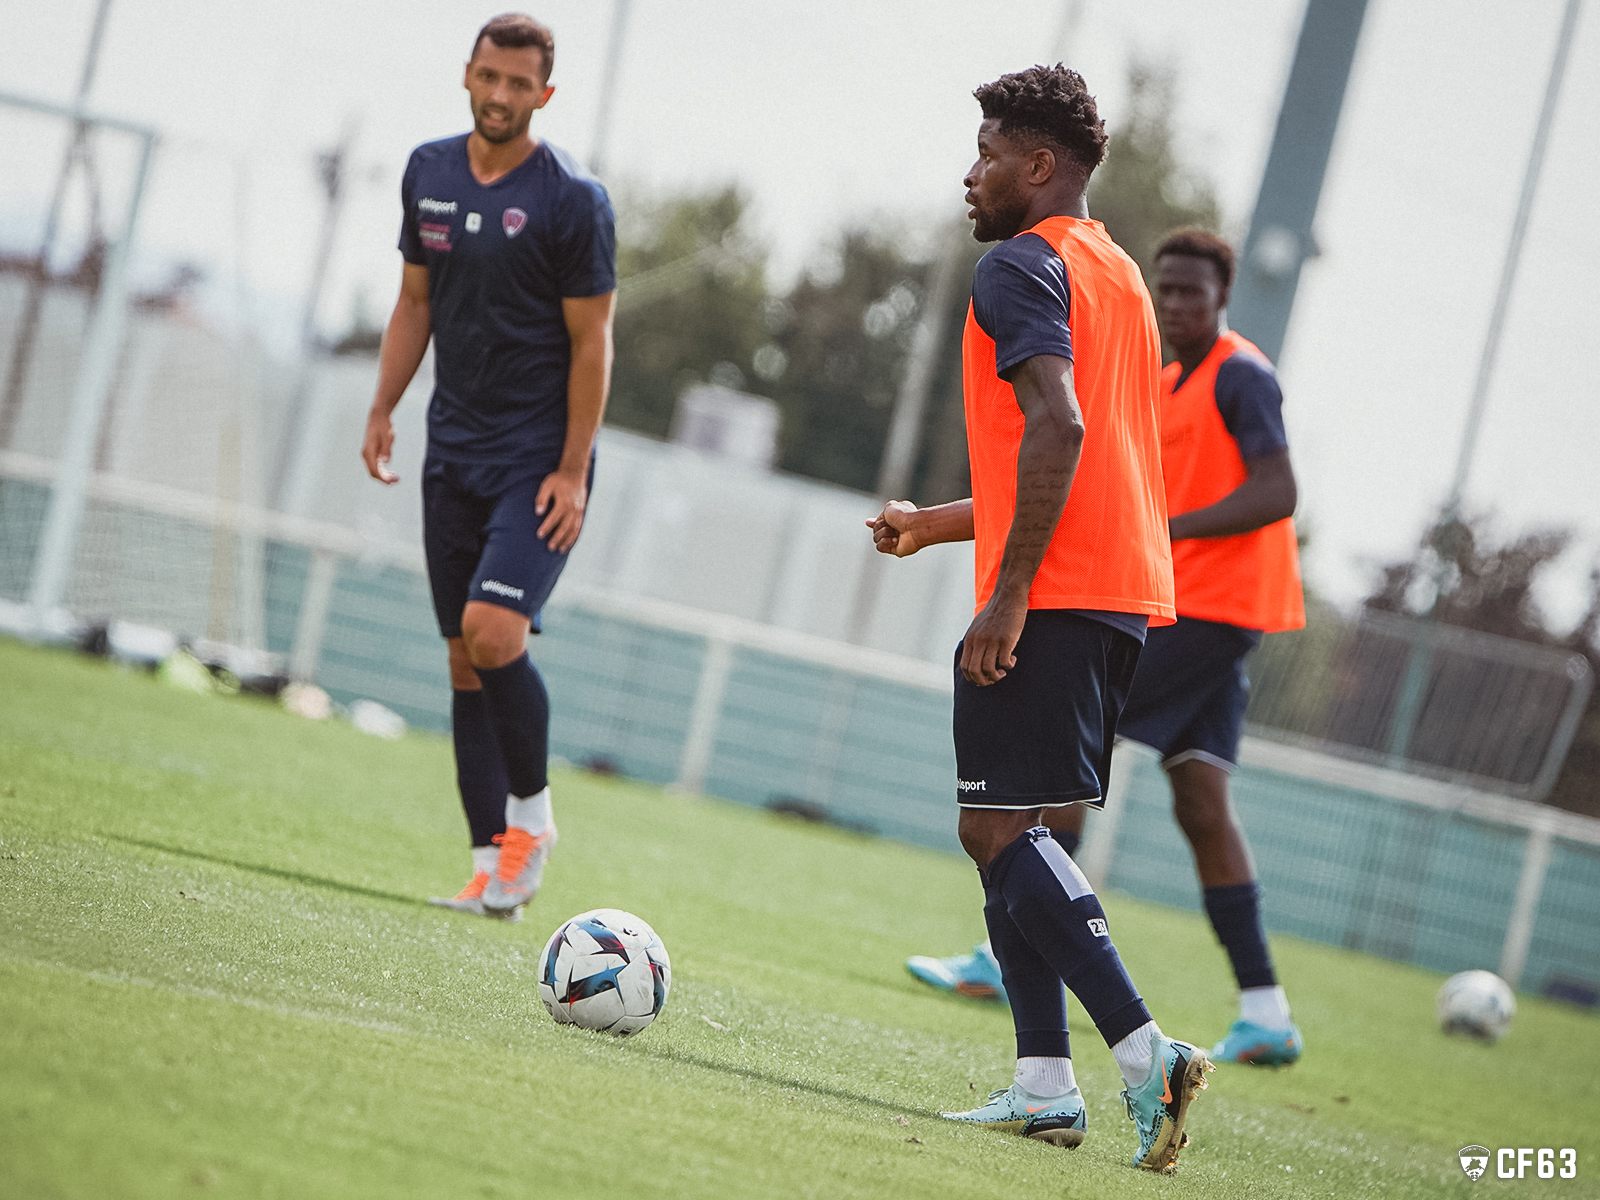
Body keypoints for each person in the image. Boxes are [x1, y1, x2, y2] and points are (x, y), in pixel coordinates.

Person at [867, 65, 1211, 1173]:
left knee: (994, 829)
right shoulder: (1113, 272)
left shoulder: (1017, 266)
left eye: (986, 153)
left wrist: (1007, 596)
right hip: (1118, 595)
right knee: (1020, 829)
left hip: (1053, 595)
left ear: (1038, 165)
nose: (970, 174)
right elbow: (1080, 460)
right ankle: (1041, 1087)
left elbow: (1055, 429)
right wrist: (938, 523)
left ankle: (1141, 1052)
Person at [899, 226, 1307, 1069]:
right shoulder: (1155, 377)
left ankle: (1019, 943)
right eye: (1168, 289)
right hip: (1179, 606)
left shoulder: (1242, 375)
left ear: (1222, 298)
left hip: (1207, 608)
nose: (1176, 303)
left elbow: (1278, 490)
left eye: (1192, 292)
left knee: (1050, 764)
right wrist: (940, 521)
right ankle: (1266, 1010)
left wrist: (1170, 527)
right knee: (1201, 801)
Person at [360, 13, 616, 920]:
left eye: (520, 84)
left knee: (494, 631)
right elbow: (413, 302)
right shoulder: (426, 171)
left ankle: (533, 822)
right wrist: (385, 405)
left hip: (536, 464)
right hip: (452, 455)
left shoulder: (572, 200)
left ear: (545, 95)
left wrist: (574, 469)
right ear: (467, 75)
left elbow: (594, 343)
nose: (501, 95)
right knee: (464, 662)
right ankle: (490, 873)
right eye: (488, 77)